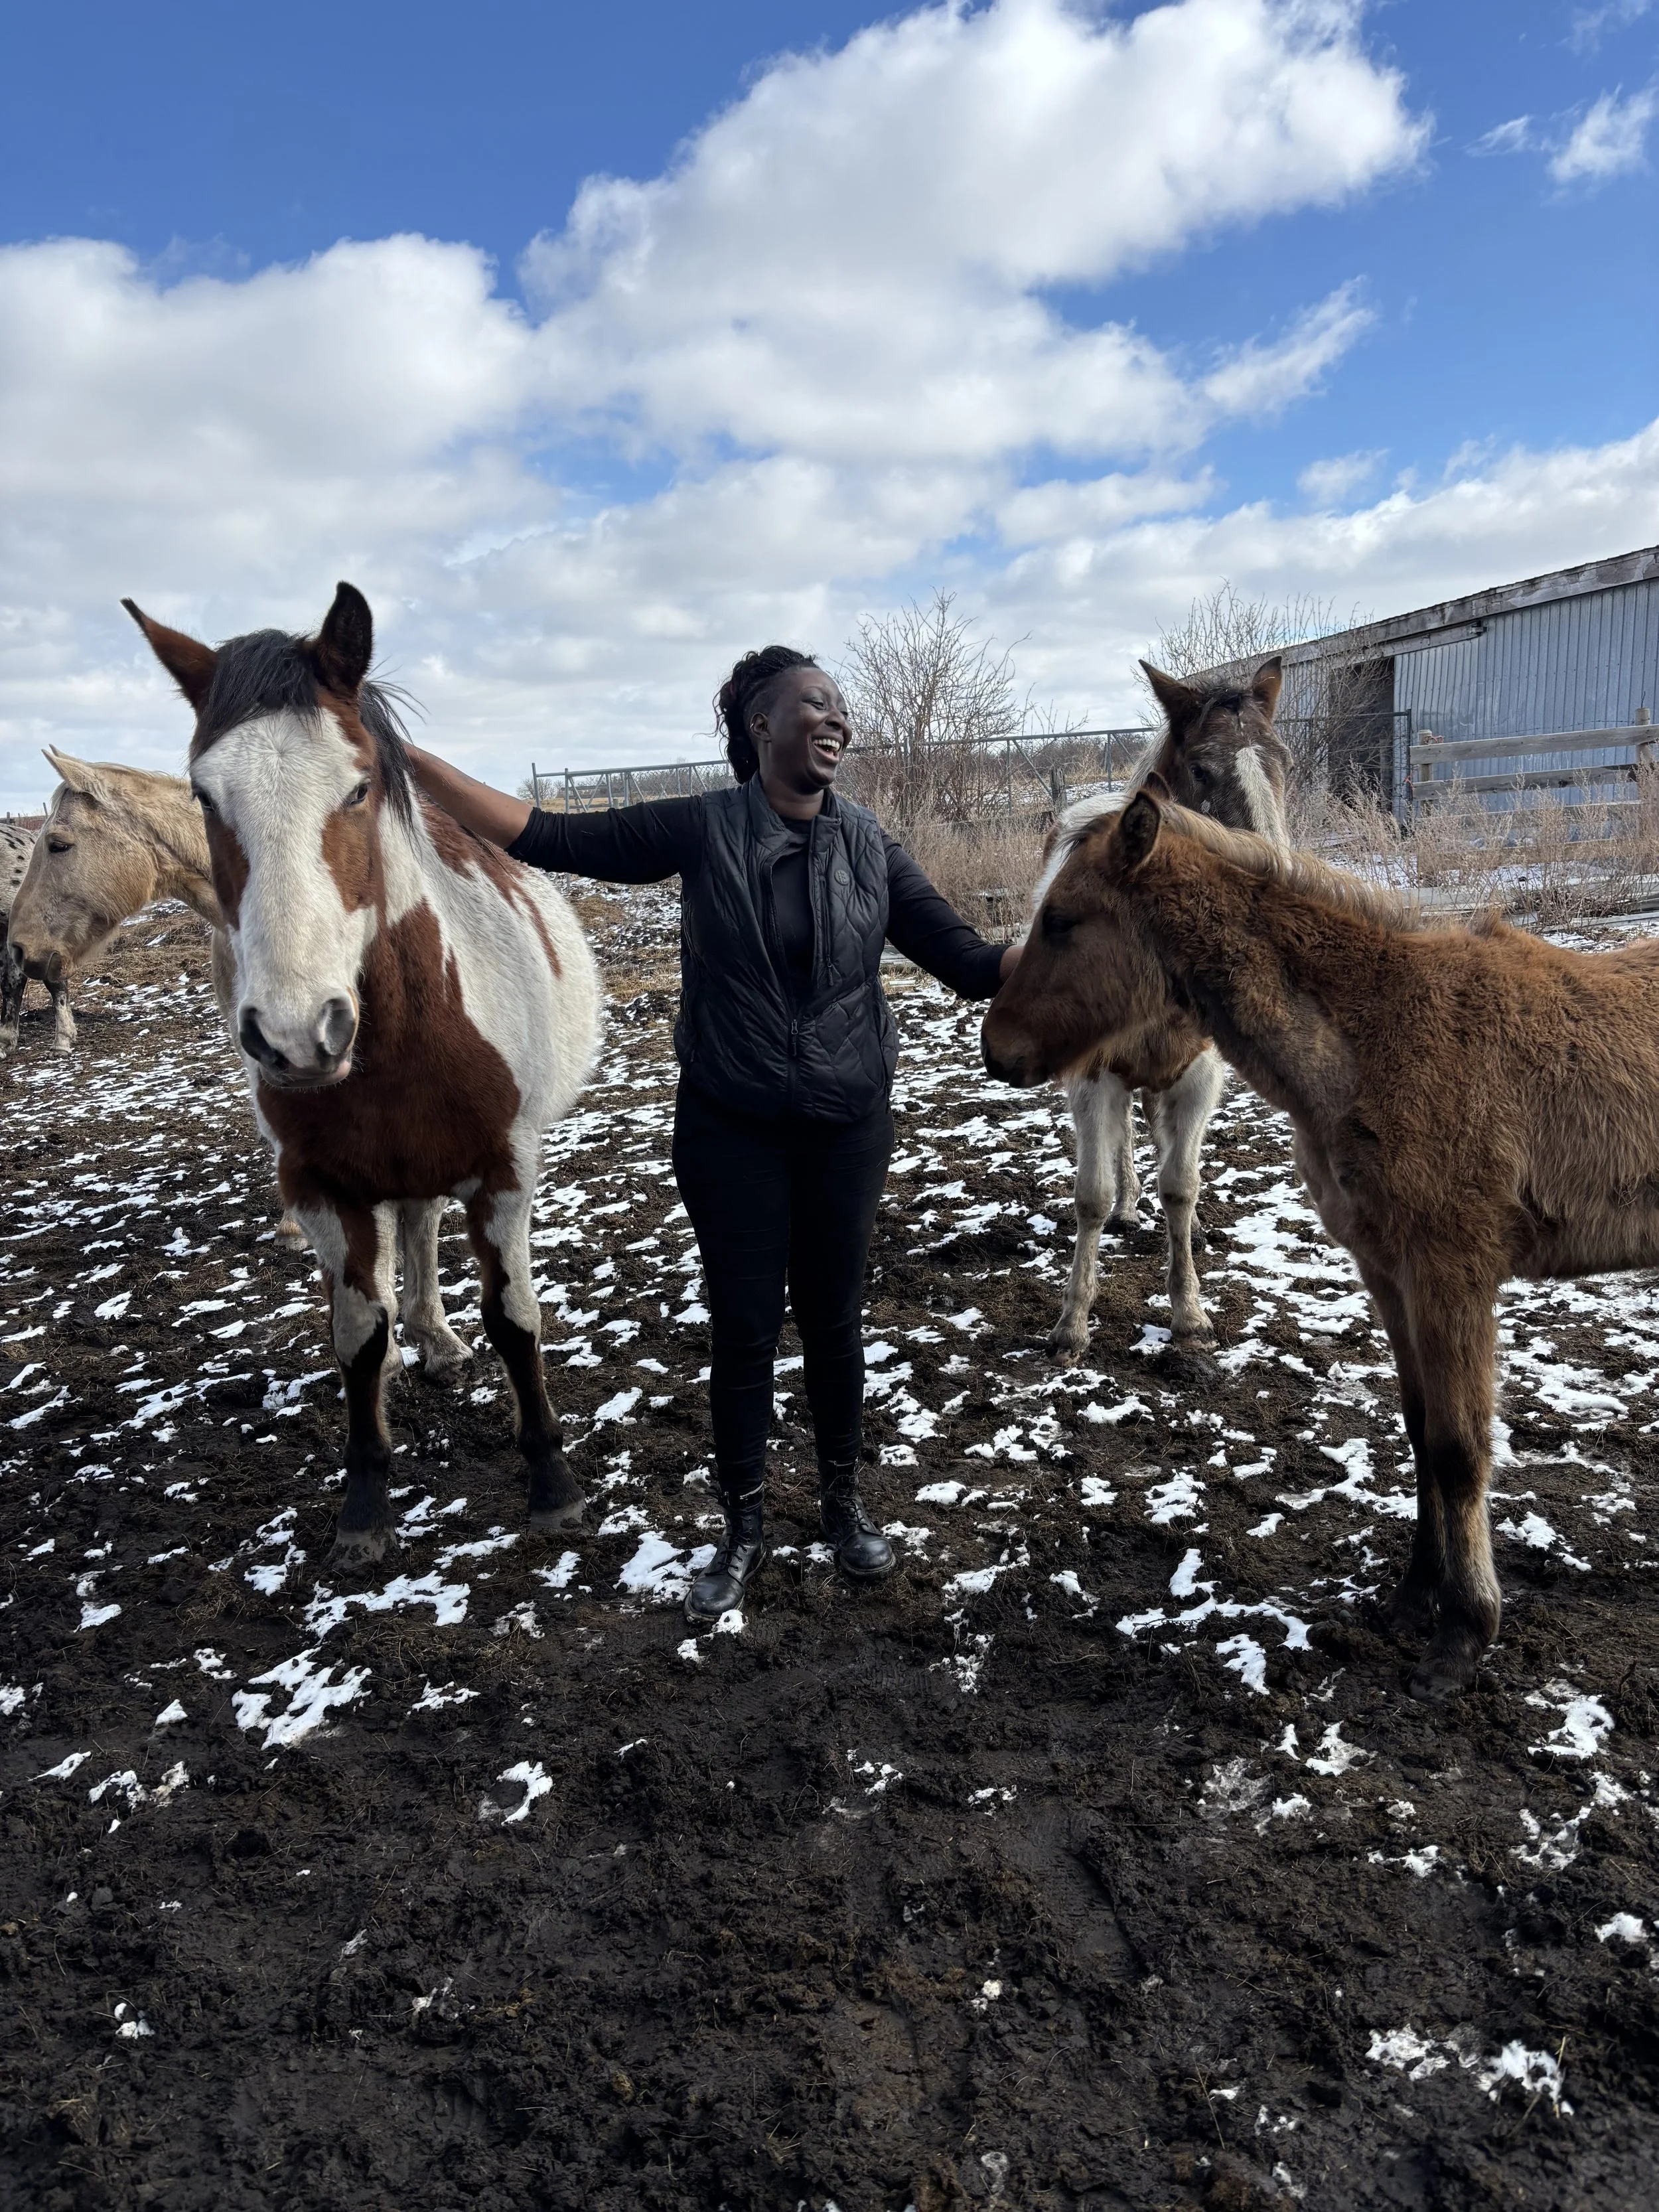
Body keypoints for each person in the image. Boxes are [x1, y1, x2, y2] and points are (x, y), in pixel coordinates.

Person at [403, 648, 1020, 1625]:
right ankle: (741, 1526)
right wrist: (408, 759)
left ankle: (842, 1507)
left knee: (834, 1322)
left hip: (848, 1127)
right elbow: (547, 835)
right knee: (742, 1331)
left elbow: (972, 963)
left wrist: (1065, 942)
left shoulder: (870, 846)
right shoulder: (703, 826)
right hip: (732, 1128)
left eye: (842, 707)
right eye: (813, 703)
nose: (837, 719)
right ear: (757, 726)